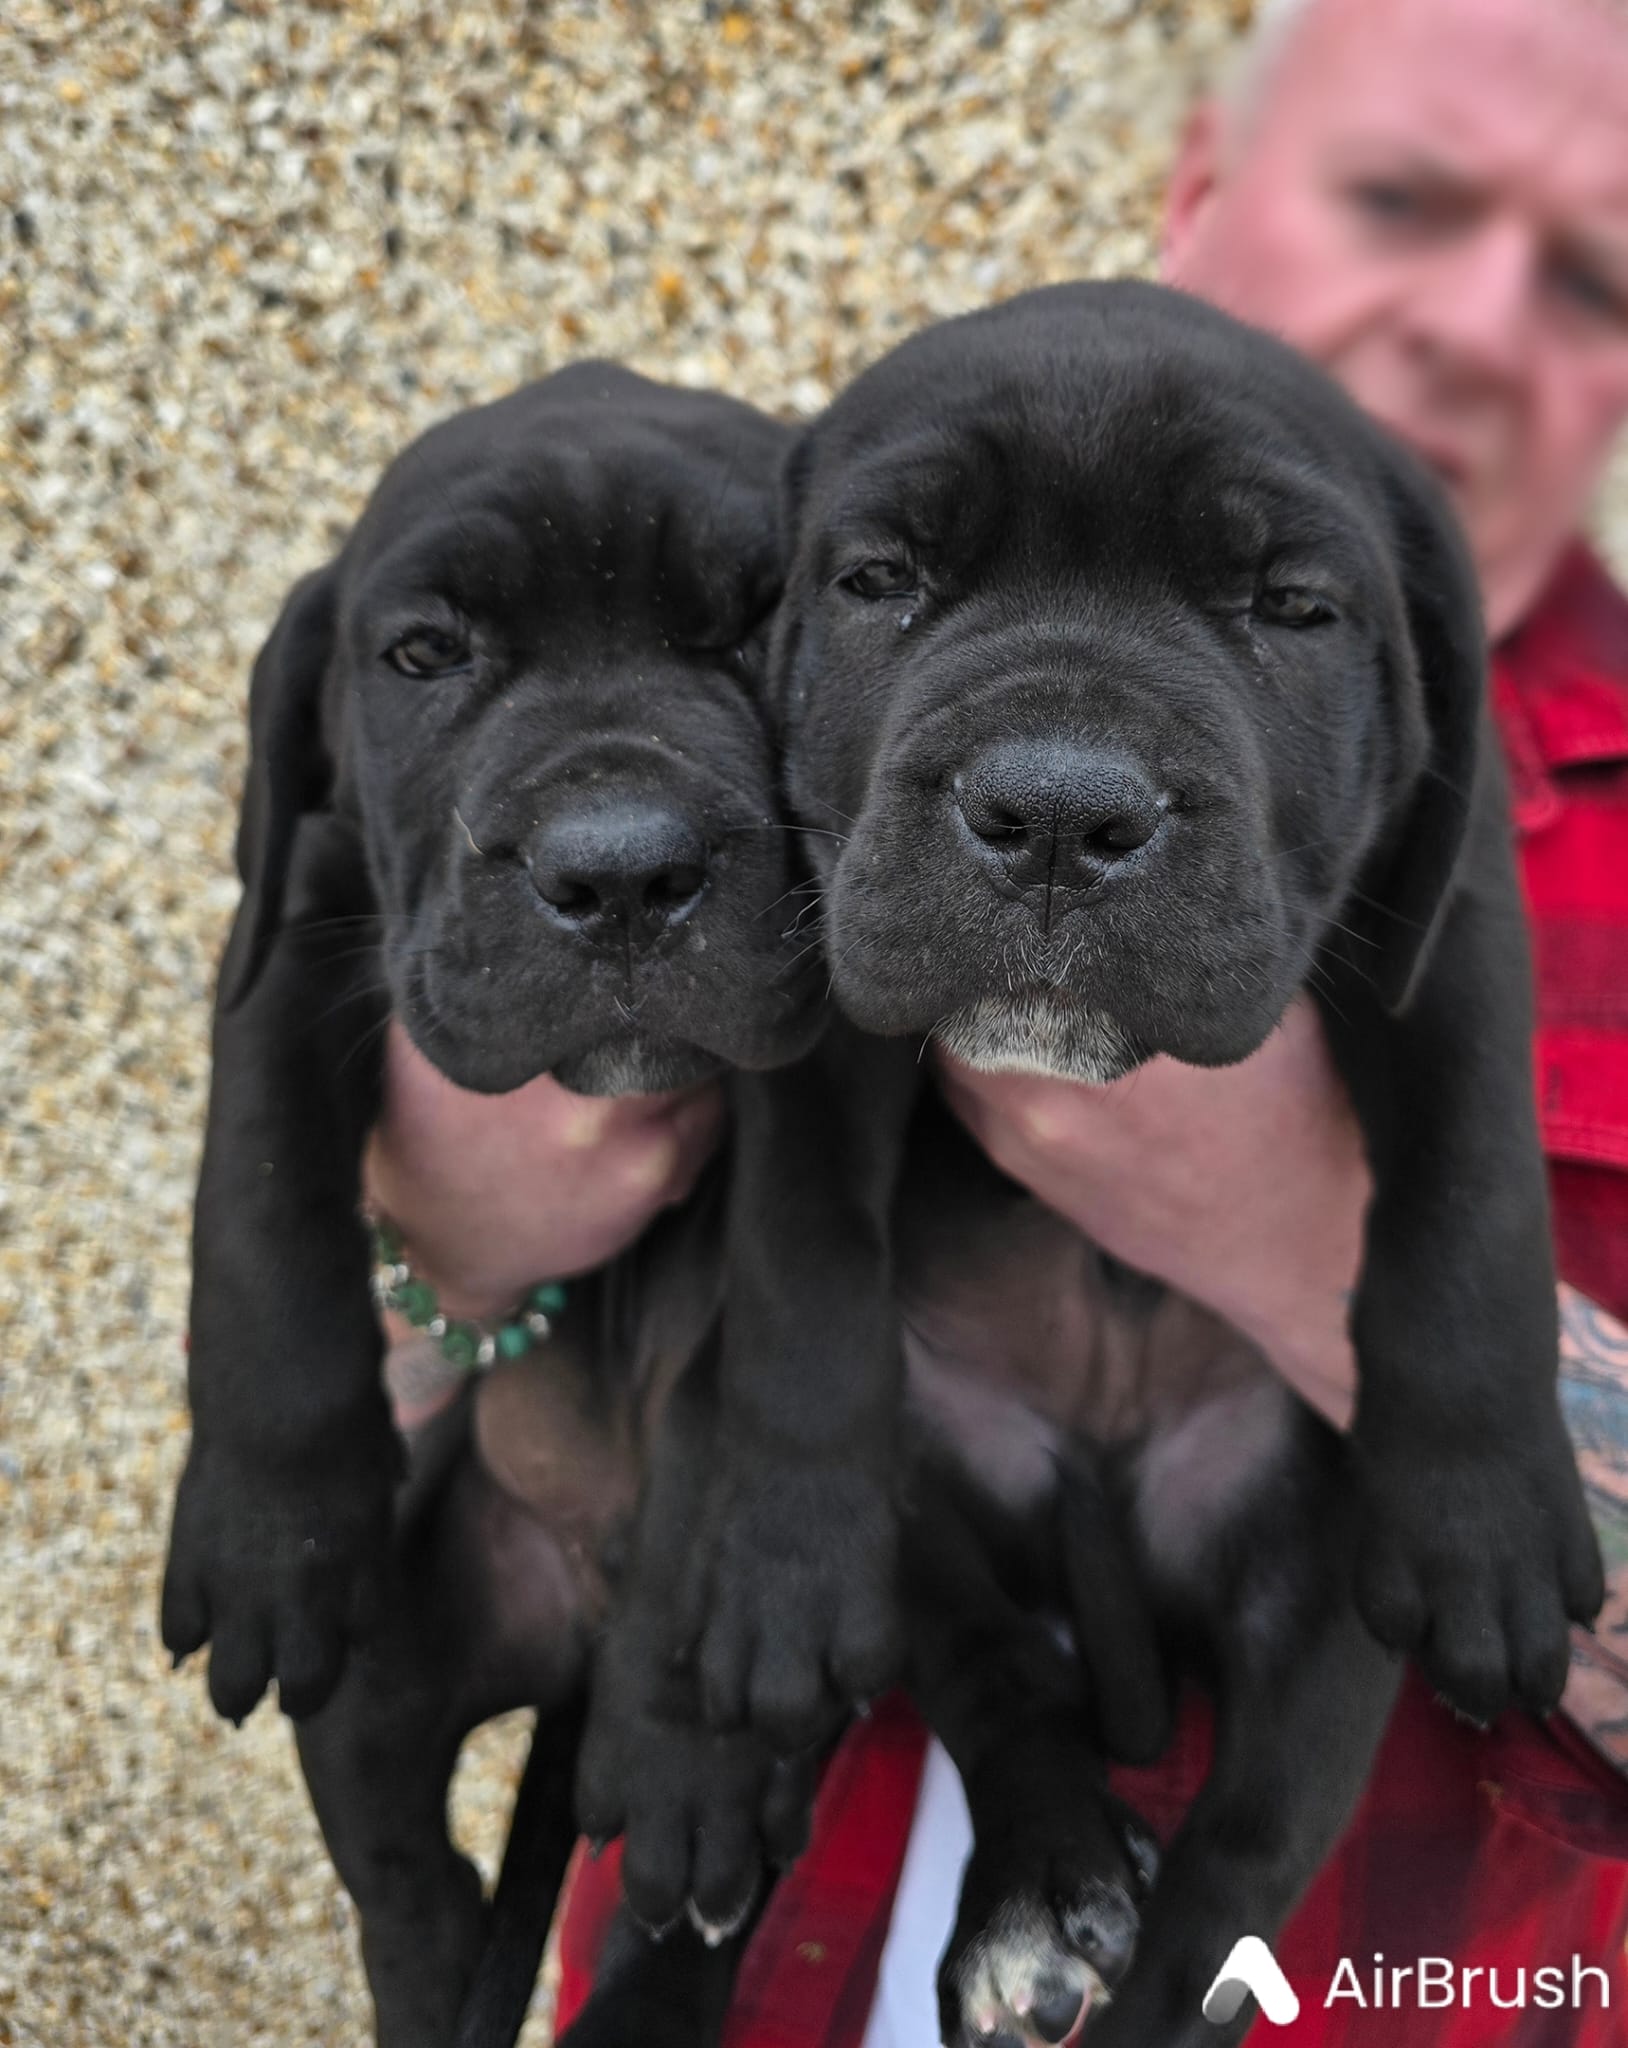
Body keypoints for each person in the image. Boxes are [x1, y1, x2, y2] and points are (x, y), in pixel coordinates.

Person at [370, 0, 1628, 2036]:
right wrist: (460, 1251)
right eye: (1402, 196)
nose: (1479, 320)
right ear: (1201, 187)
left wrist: (1312, 1254)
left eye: (1592, 274)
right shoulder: (782, 626)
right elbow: (399, 1460)